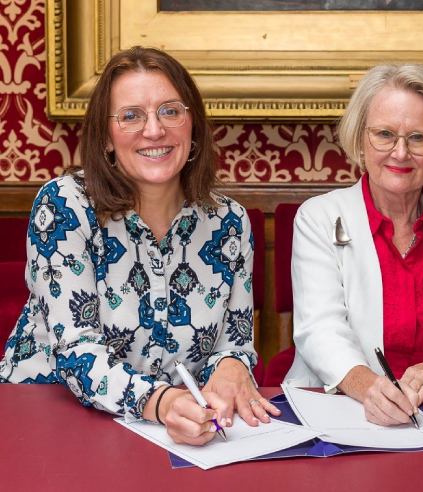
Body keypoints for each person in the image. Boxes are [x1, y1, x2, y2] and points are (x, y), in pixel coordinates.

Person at [0, 46, 279, 445]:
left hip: (165, 434)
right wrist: (162, 402)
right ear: (107, 138)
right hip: (43, 418)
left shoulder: (229, 223)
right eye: (131, 116)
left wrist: (233, 363)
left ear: (193, 126)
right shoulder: (65, 206)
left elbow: (233, 342)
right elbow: (77, 352)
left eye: (170, 111)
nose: (154, 130)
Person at [284, 63, 423, 426]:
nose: (400, 153)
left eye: (418, 138)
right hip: (342, 413)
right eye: (384, 134)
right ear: (360, 138)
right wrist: (370, 387)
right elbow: (320, 331)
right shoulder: (319, 218)